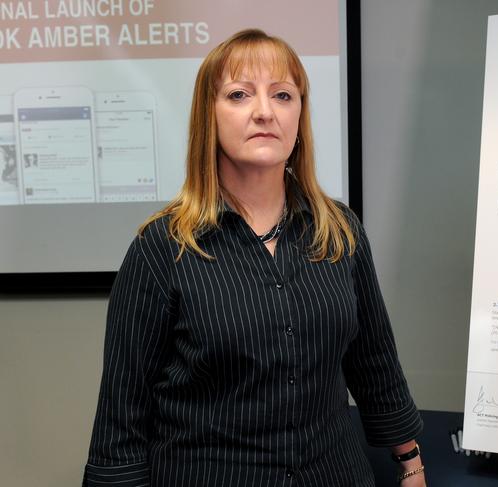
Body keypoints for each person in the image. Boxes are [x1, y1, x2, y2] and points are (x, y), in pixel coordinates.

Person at [82, 29, 425, 487]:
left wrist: (411, 464)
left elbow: (374, 359)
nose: (264, 111)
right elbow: (123, 408)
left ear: (299, 115)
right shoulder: (163, 246)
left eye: (282, 94)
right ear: (210, 116)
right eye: (240, 94)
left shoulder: (339, 230)